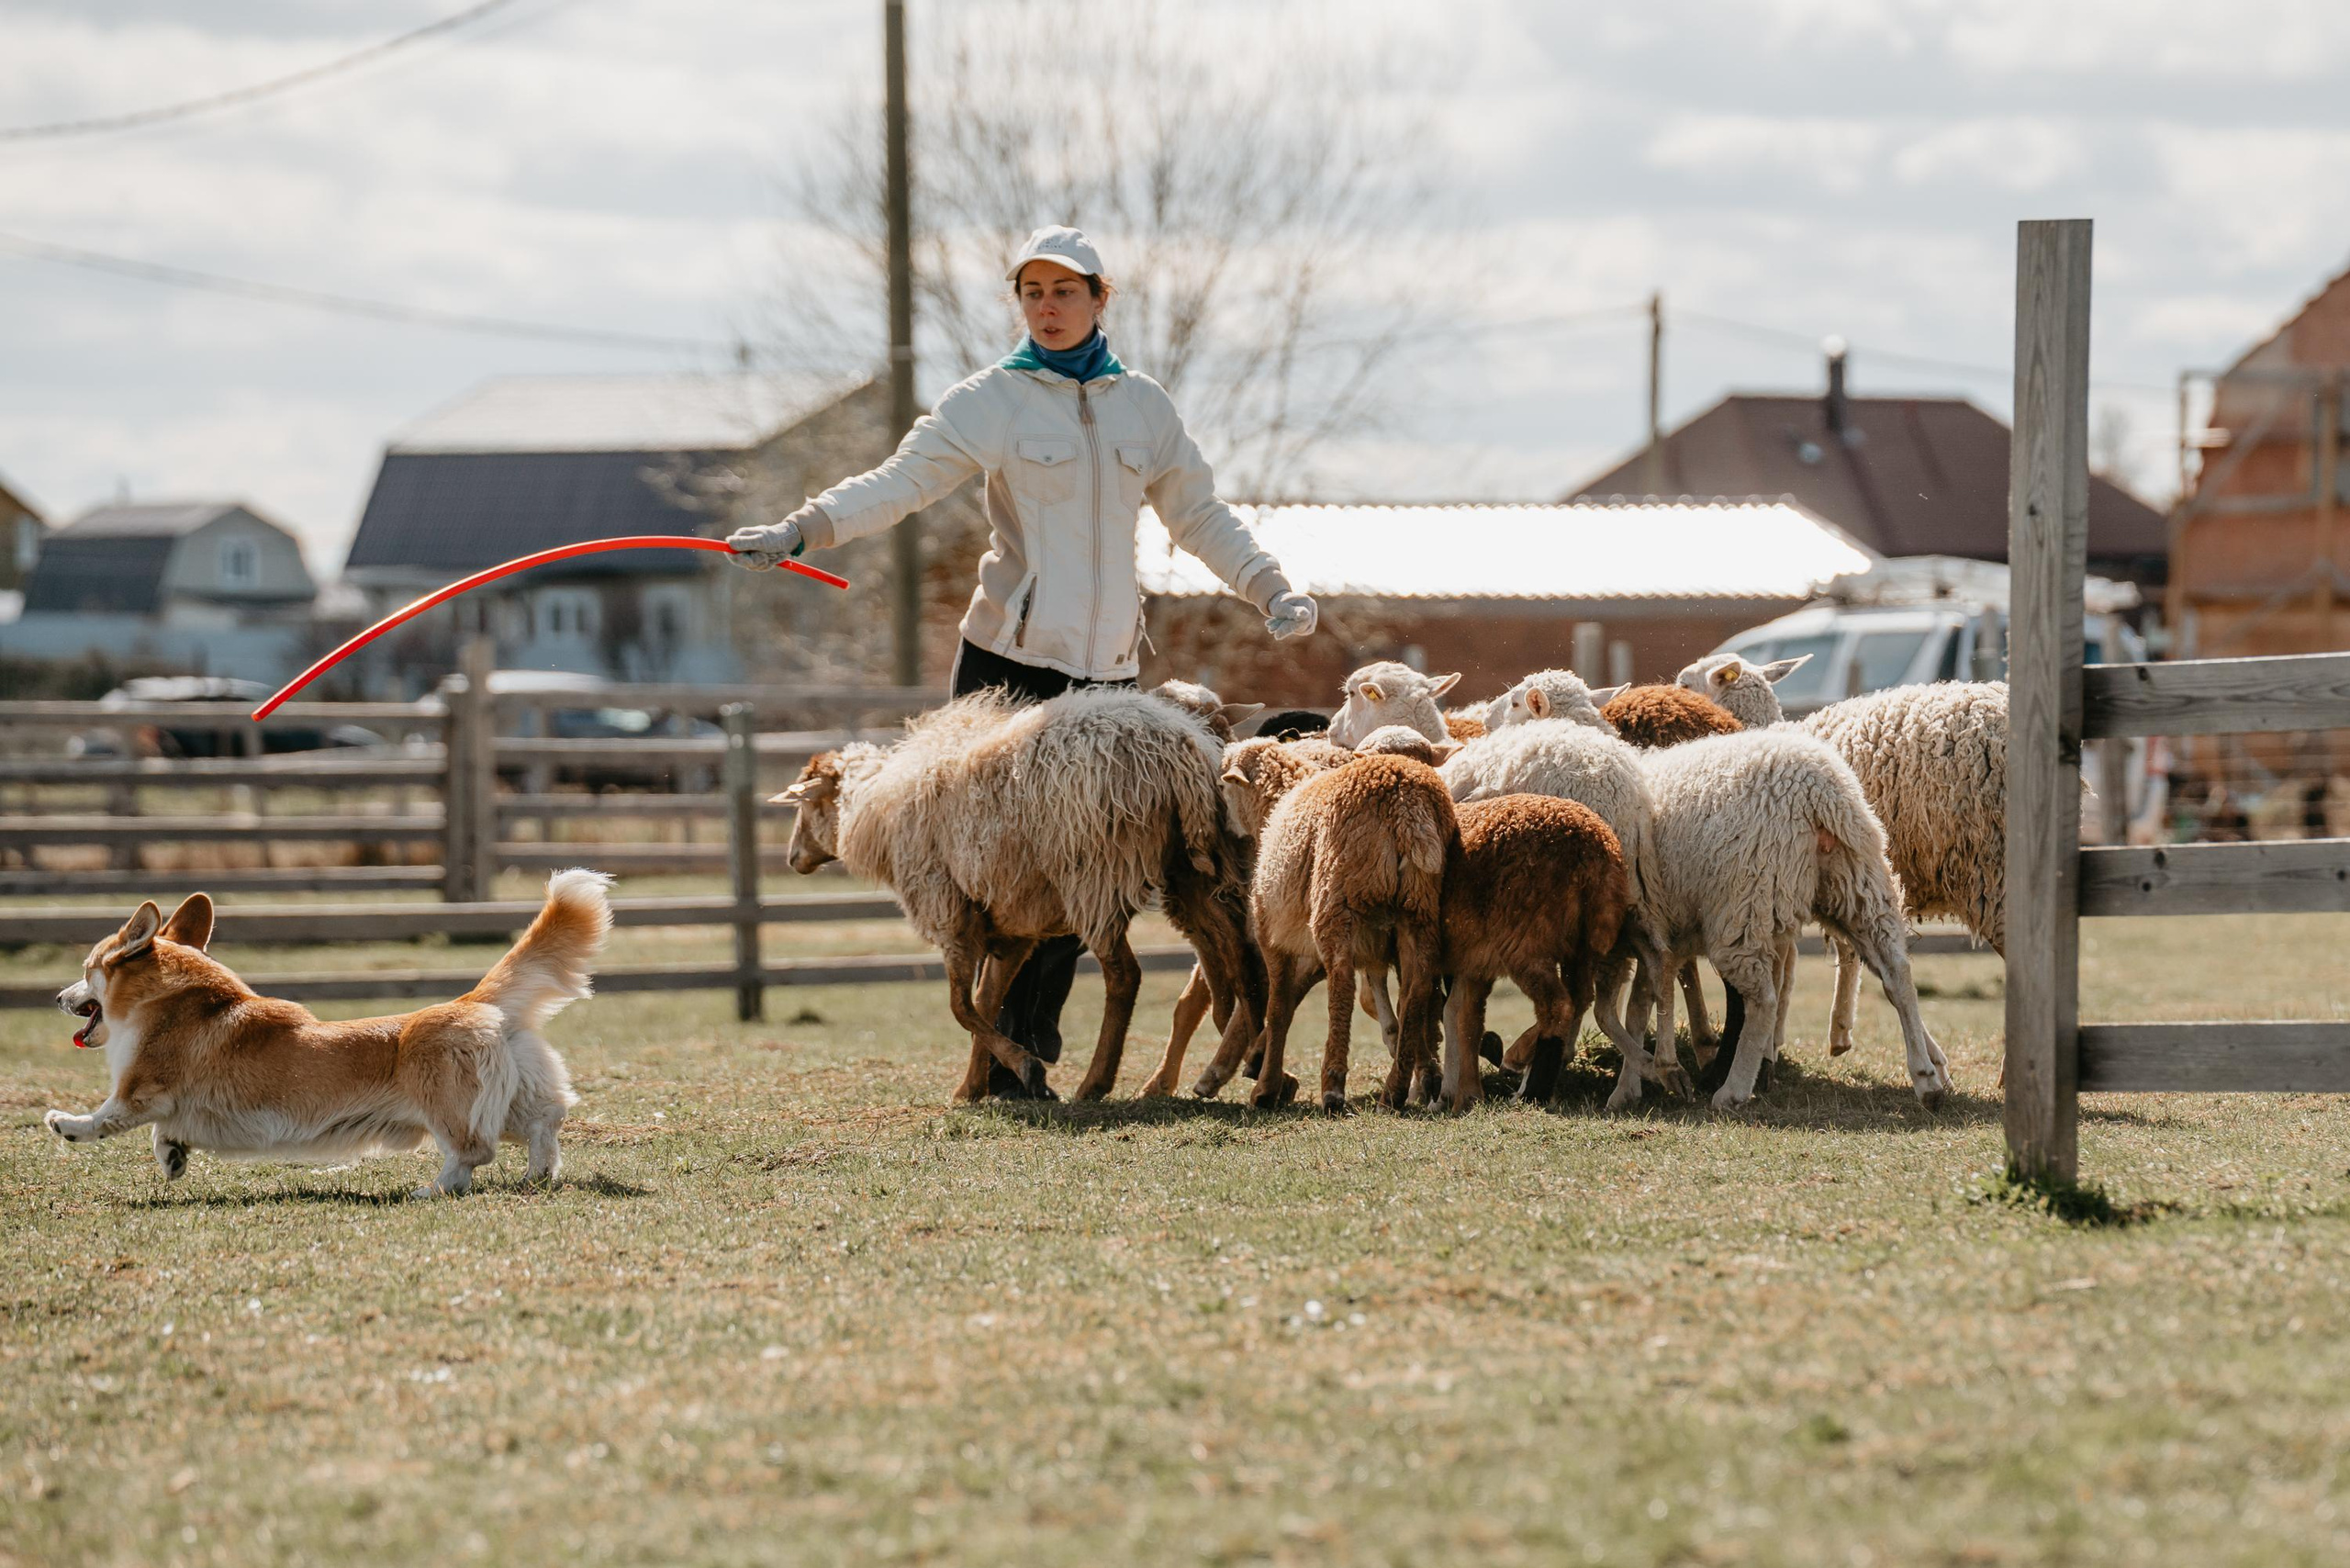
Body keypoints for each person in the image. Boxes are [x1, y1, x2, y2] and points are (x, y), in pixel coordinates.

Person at [729, 224, 1316, 1095]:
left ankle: (1026, 1044)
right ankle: (1008, 1058)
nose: (1048, 307)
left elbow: (1198, 514)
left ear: (1100, 299)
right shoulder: (992, 400)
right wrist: (800, 530)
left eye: (1065, 291)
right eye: (1032, 292)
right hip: (1009, 669)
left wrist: (1269, 587)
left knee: (1088, 878)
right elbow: (900, 482)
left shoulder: (1143, 407)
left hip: (1105, 677)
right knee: (1000, 877)